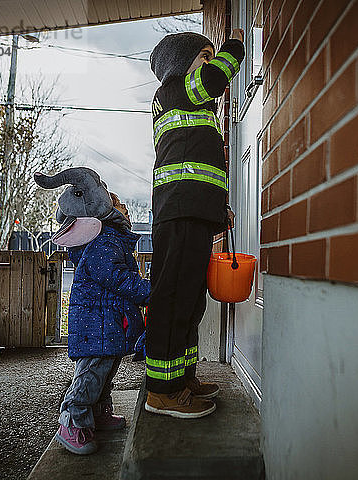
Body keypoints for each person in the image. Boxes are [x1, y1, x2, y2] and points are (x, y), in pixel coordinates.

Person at [145, 28, 244, 418]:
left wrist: (219, 209)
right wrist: (235, 45)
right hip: (179, 209)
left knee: (189, 298)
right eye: (204, 55)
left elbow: (199, 166)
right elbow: (217, 78)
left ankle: (181, 377)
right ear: (181, 65)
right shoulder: (175, 90)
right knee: (172, 297)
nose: (210, 61)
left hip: (192, 210)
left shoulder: (194, 108)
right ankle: (161, 390)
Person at [34, 167, 150, 455]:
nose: (124, 208)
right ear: (106, 211)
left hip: (104, 321)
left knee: (105, 370)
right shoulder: (105, 240)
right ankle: (71, 419)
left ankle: (98, 412)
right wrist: (150, 291)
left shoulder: (109, 238)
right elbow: (116, 277)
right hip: (95, 324)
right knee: (91, 374)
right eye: (119, 203)